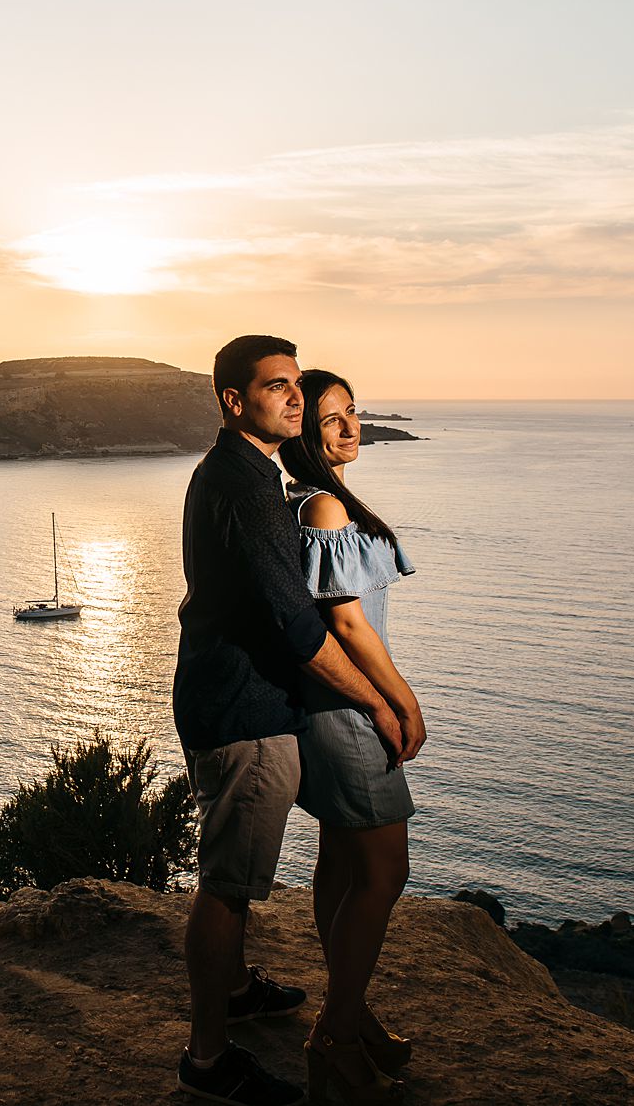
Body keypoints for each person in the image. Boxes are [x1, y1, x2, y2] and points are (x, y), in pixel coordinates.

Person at [175, 336, 404, 1106]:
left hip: (231, 696)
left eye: (296, 384)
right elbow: (300, 625)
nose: (295, 398)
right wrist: (379, 699)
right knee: (227, 886)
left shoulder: (242, 475)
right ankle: (209, 1058)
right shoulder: (246, 486)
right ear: (235, 401)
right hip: (246, 708)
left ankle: (236, 989)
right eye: (277, 386)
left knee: (257, 872)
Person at [279, 368, 425, 1104]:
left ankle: (350, 1009)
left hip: (318, 711)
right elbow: (346, 622)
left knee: (339, 865)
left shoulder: (298, 500)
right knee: (384, 871)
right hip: (347, 715)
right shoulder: (326, 507)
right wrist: (402, 701)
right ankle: (334, 1034)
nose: (348, 427)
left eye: (352, 412)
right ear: (302, 433)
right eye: (329, 419)